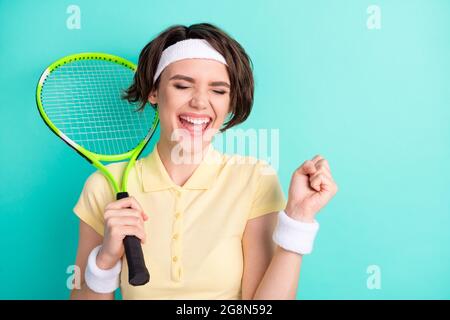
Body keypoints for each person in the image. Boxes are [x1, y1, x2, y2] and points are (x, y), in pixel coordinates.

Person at [69, 22, 338, 300]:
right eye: (183, 85)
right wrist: (104, 261)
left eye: (218, 91)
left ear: (230, 102)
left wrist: (298, 221)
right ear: (153, 92)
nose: (200, 102)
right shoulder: (104, 185)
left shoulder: (255, 179)